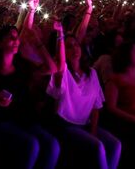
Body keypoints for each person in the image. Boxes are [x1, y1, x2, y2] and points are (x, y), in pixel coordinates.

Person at [0, 25, 60, 169]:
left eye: (17, 38)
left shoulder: (22, 65)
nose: (16, 41)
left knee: (53, 145)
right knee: (31, 145)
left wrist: (37, 41)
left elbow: (52, 68)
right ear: (0, 43)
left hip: (23, 119)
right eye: (11, 38)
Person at [47, 20, 120, 169]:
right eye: (69, 46)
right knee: (97, 146)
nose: (75, 48)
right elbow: (61, 62)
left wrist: (93, 130)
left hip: (86, 125)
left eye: (76, 45)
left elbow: (96, 106)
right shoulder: (63, 72)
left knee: (115, 144)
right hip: (66, 126)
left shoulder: (91, 73)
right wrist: (60, 34)